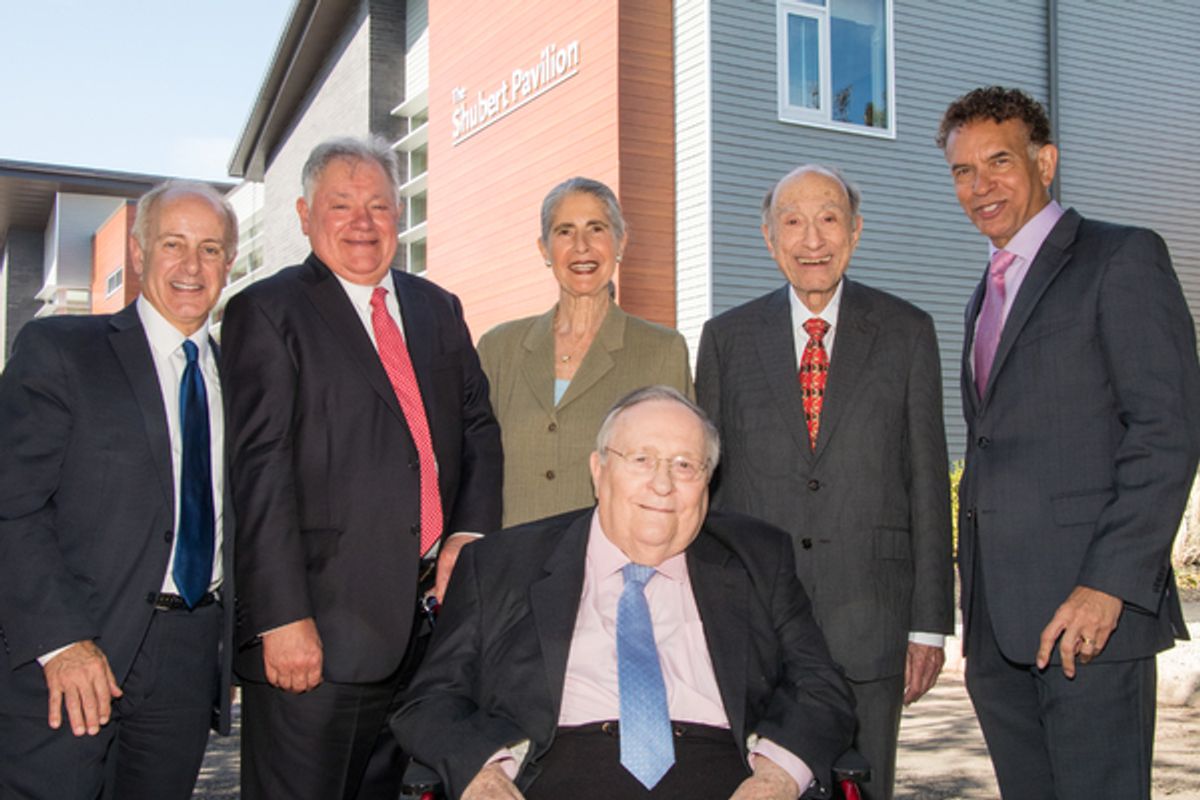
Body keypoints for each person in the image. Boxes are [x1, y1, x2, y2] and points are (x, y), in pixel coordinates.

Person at [393, 386, 856, 800]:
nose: (662, 484)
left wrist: (775, 779)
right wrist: (483, 774)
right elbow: (429, 701)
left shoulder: (759, 558)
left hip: (725, 778)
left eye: (685, 466)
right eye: (642, 459)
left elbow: (821, 687)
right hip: (552, 775)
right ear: (598, 469)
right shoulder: (503, 565)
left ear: (707, 484)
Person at [936, 85, 1200, 799]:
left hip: (1090, 620)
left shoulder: (1122, 258)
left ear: (1045, 161)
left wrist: (1109, 584)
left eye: (999, 161)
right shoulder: (983, 293)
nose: (980, 185)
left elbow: (1167, 430)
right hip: (1001, 632)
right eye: (963, 171)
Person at [222, 136, 503, 800]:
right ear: (303, 213)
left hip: (426, 630)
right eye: (341, 204)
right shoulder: (268, 313)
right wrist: (280, 617)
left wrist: (467, 532)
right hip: (316, 637)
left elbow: (478, 429)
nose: (362, 222)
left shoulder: (438, 307)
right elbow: (258, 475)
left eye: (379, 205)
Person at [695, 165, 953, 800]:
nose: (812, 238)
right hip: (757, 628)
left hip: (873, 625)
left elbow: (927, 477)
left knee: (866, 787)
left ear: (856, 232)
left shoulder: (908, 331)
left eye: (829, 218)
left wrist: (928, 625)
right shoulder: (725, 340)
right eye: (793, 221)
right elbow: (707, 490)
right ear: (768, 237)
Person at [0, 182, 237, 798]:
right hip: (77, 647)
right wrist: (61, 642)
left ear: (229, 262)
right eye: (173, 244)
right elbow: (11, 508)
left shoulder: (242, 380)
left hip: (188, 651)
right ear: (138, 252)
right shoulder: (62, 351)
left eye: (210, 249)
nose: (191, 266)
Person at [477, 177, 693, 527]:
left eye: (596, 229)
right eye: (564, 231)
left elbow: (679, 476)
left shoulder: (662, 351)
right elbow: (473, 468)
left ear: (620, 241)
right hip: (509, 566)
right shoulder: (498, 349)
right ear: (544, 249)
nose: (581, 246)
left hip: (612, 571)